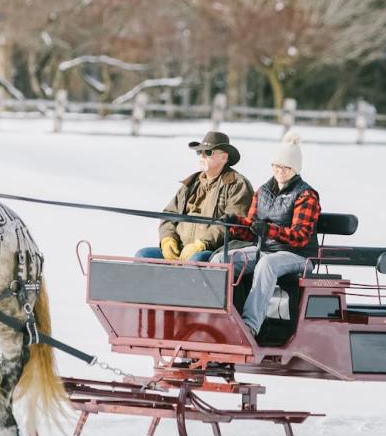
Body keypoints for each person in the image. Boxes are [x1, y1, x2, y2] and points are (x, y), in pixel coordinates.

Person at [223, 131, 321, 335]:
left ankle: (250, 326)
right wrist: (235, 224)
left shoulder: (306, 195)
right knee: (222, 259)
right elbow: (251, 227)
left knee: (267, 265)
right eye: (276, 166)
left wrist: (269, 230)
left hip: (299, 256)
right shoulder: (263, 191)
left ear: (295, 169)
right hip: (265, 249)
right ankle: (221, 317)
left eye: (286, 167)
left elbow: (301, 237)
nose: (280, 171)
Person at [135, 131, 254, 263]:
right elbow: (169, 214)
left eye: (208, 152)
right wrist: (167, 239)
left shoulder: (237, 184)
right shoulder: (191, 184)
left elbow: (233, 223)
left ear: (224, 157)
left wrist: (201, 244)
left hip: (213, 250)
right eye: (199, 152)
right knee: (143, 255)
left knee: (196, 260)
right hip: (180, 249)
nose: (202, 156)